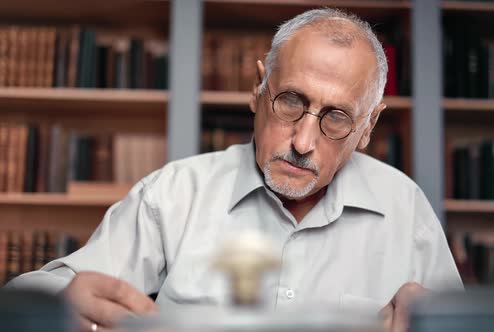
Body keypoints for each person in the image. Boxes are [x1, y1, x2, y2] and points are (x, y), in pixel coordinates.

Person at [6, 8, 463, 332]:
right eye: (289, 102)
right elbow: (30, 299)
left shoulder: (406, 211)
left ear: (368, 127)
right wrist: (56, 305)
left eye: (337, 119)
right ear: (257, 90)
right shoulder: (173, 194)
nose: (303, 143)